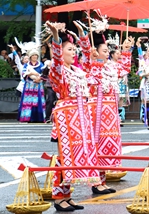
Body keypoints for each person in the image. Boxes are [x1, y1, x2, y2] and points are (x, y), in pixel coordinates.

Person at [46, 21, 99, 211]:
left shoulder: (78, 71)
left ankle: (68, 195)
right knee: (63, 158)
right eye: (70, 49)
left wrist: (83, 34)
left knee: (75, 159)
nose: (73, 51)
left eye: (74, 48)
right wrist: (56, 38)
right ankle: (59, 197)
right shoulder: (58, 71)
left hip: (80, 118)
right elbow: (58, 59)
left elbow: (87, 58)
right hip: (66, 119)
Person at [81, 31, 133, 194]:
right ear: (95, 51)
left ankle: (102, 181)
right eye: (103, 51)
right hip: (96, 110)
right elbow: (86, 54)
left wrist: (126, 50)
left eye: (105, 51)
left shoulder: (110, 67)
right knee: (96, 145)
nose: (106, 53)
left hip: (110, 111)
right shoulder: (89, 65)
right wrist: (85, 39)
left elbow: (125, 68)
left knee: (105, 146)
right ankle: (95, 182)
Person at [17, 45, 46, 123]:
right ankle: (28, 117)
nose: (34, 57)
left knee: (37, 102)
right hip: (29, 86)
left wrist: (38, 78)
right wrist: (30, 74)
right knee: (29, 102)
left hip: (38, 85)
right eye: (33, 55)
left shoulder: (41, 65)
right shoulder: (27, 65)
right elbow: (24, 74)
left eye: (36, 55)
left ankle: (38, 117)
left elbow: (44, 74)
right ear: (30, 57)